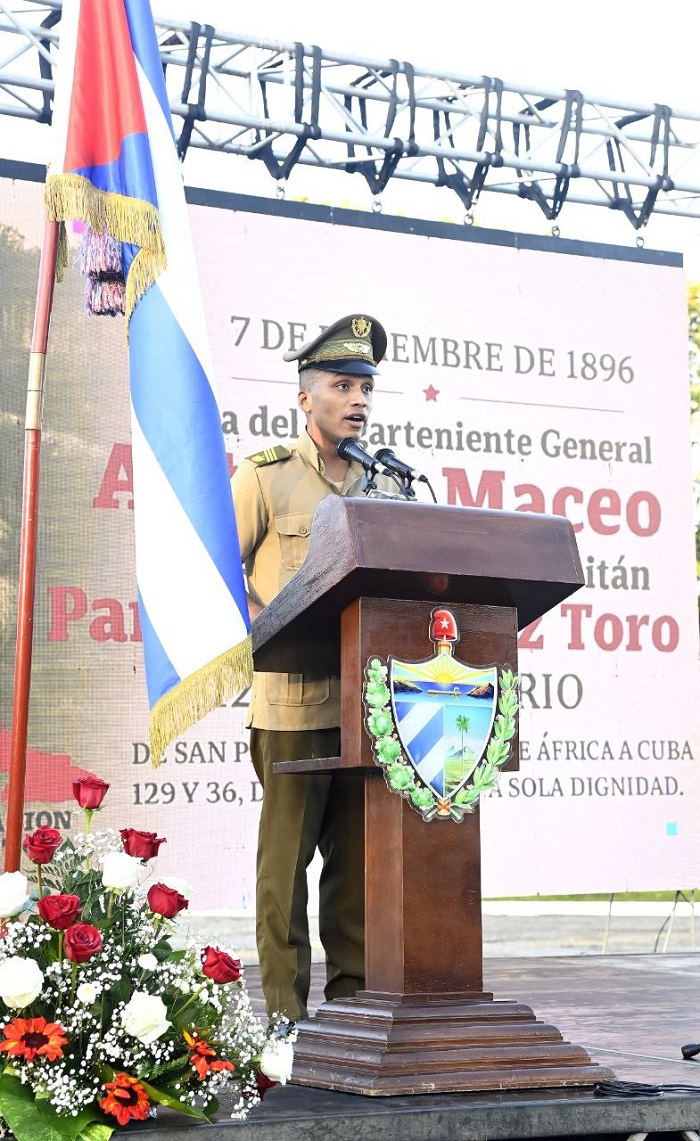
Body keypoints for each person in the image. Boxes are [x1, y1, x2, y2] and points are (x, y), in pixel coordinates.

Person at [231, 313, 394, 1025]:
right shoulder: (266, 477)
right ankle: (282, 1020)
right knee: (283, 870)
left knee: (358, 872)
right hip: (293, 705)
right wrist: (271, 622)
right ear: (306, 398)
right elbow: (221, 568)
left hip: (368, 708)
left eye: (364, 386)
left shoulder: (383, 482)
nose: (357, 399)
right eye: (342, 384)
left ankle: (352, 1011)